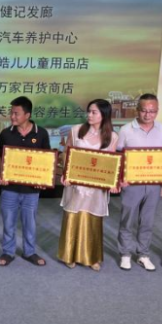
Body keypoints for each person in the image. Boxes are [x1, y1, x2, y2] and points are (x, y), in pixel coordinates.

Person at [58, 99, 118, 271]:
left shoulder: (112, 137)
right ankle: (69, 255)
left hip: (96, 187)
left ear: (104, 115)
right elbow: (66, 153)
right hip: (76, 184)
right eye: (89, 111)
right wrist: (66, 173)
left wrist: (112, 182)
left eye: (94, 112)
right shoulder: (76, 130)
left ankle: (92, 257)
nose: (89, 115)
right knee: (73, 217)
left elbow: (112, 163)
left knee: (93, 219)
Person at [115, 94, 162, 272]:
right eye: (144, 110)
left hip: (154, 183)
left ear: (157, 111)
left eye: (152, 111)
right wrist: (120, 178)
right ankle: (125, 253)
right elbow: (118, 156)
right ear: (137, 110)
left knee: (147, 220)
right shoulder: (126, 130)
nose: (148, 115)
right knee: (127, 219)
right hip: (131, 183)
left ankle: (143, 254)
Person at [0, 96, 51, 267]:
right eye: (11, 113)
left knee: (30, 223)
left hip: (31, 190)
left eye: (16, 113)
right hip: (9, 188)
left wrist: (43, 179)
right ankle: (8, 252)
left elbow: (47, 159)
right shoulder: (6, 133)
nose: (12, 116)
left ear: (27, 115)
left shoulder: (41, 133)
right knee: (8, 222)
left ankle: (29, 252)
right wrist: (2, 172)